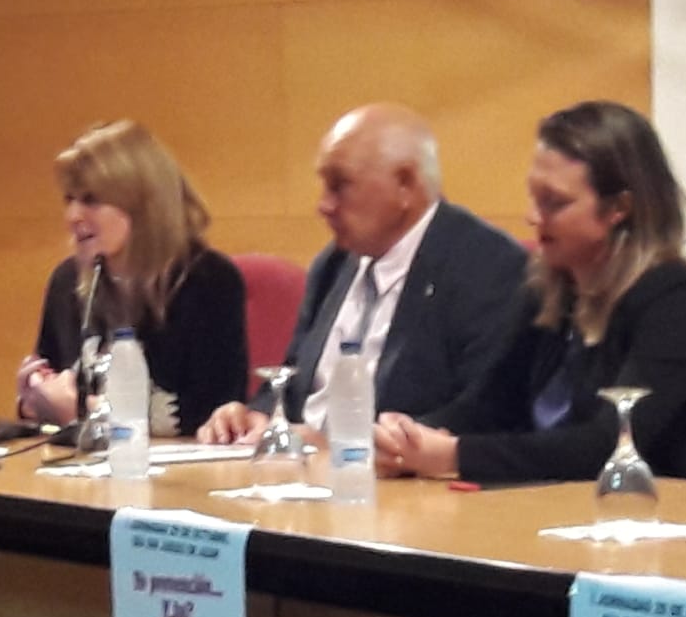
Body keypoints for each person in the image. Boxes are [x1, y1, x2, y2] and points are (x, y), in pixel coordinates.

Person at [373, 100, 686, 484]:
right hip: (560, 506)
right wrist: (408, 437)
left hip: (666, 512)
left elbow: (609, 444)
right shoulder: (550, 288)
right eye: (534, 197)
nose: (533, 217)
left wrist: (454, 455)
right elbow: (489, 406)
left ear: (618, 207)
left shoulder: (679, 301)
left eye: (554, 202)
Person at [196, 103, 526, 443]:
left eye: (339, 185)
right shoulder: (335, 263)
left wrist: (338, 443)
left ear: (405, 184)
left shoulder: (487, 267)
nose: (323, 205)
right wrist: (256, 415)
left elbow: (481, 414)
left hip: (395, 472)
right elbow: (294, 384)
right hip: (300, 466)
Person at [16, 120, 247, 436]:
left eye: (91, 200)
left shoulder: (208, 280)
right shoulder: (67, 281)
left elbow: (214, 419)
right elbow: (57, 394)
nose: (73, 217)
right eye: (69, 199)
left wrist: (85, 413)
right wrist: (33, 402)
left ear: (142, 204)